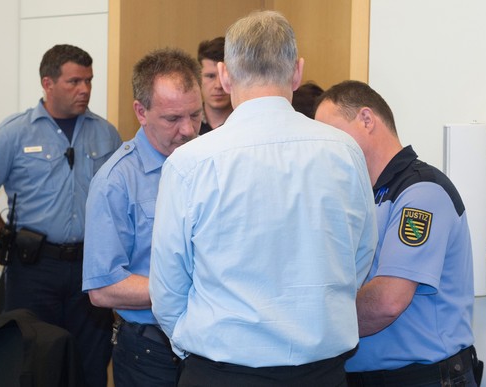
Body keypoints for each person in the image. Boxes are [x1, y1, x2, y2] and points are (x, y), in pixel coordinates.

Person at [149, 10, 378, 387]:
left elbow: (168, 289)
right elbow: (359, 258)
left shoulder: (191, 163)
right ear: (297, 72)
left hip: (219, 372)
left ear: (224, 75)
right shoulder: (345, 152)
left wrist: (196, 351)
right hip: (321, 374)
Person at [0, 44, 122, 387]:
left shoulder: (106, 133)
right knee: (33, 357)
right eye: (74, 81)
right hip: (34, 268)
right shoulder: (15, 133)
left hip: (90, 267)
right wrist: (6, 239)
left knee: (91, 359)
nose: (84, 89)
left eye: (89, 81)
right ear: (48, 83)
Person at [315, 80, 481, 387]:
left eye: (331, 133)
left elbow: (388, 300)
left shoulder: (421, 191)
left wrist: (316, 322)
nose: (326, 147)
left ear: (366, 119)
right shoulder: (360, 196)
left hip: (423, 378)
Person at [82, 47, 203, 387]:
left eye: (195, 115)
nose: (188, 130)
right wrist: (193, 288)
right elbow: (103, 288)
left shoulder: (209, 161)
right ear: (141, 111)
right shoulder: (116, 181)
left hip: (205, 345)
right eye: (172, 119)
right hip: (149, 349)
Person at [196, 36, 233, 134]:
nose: (219, 85)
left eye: (224, 76)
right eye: (210, 76)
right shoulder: (187, 123)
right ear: (198, 79)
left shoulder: (246, 122)